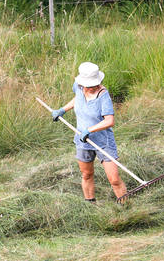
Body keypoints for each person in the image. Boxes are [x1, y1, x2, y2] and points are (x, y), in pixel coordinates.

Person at [51, 62, 127, 202]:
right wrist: (62, 110)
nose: (93, 88)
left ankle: (126, 207)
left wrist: (89, 130)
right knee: (86, 174)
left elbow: (109, 121)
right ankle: (90, 204)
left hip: (103, 142)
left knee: (114, 179)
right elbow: (77, 99)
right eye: (90, 85)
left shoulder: (103, 95)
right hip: (82, 140)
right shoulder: (78, 87)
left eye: (95, 84)